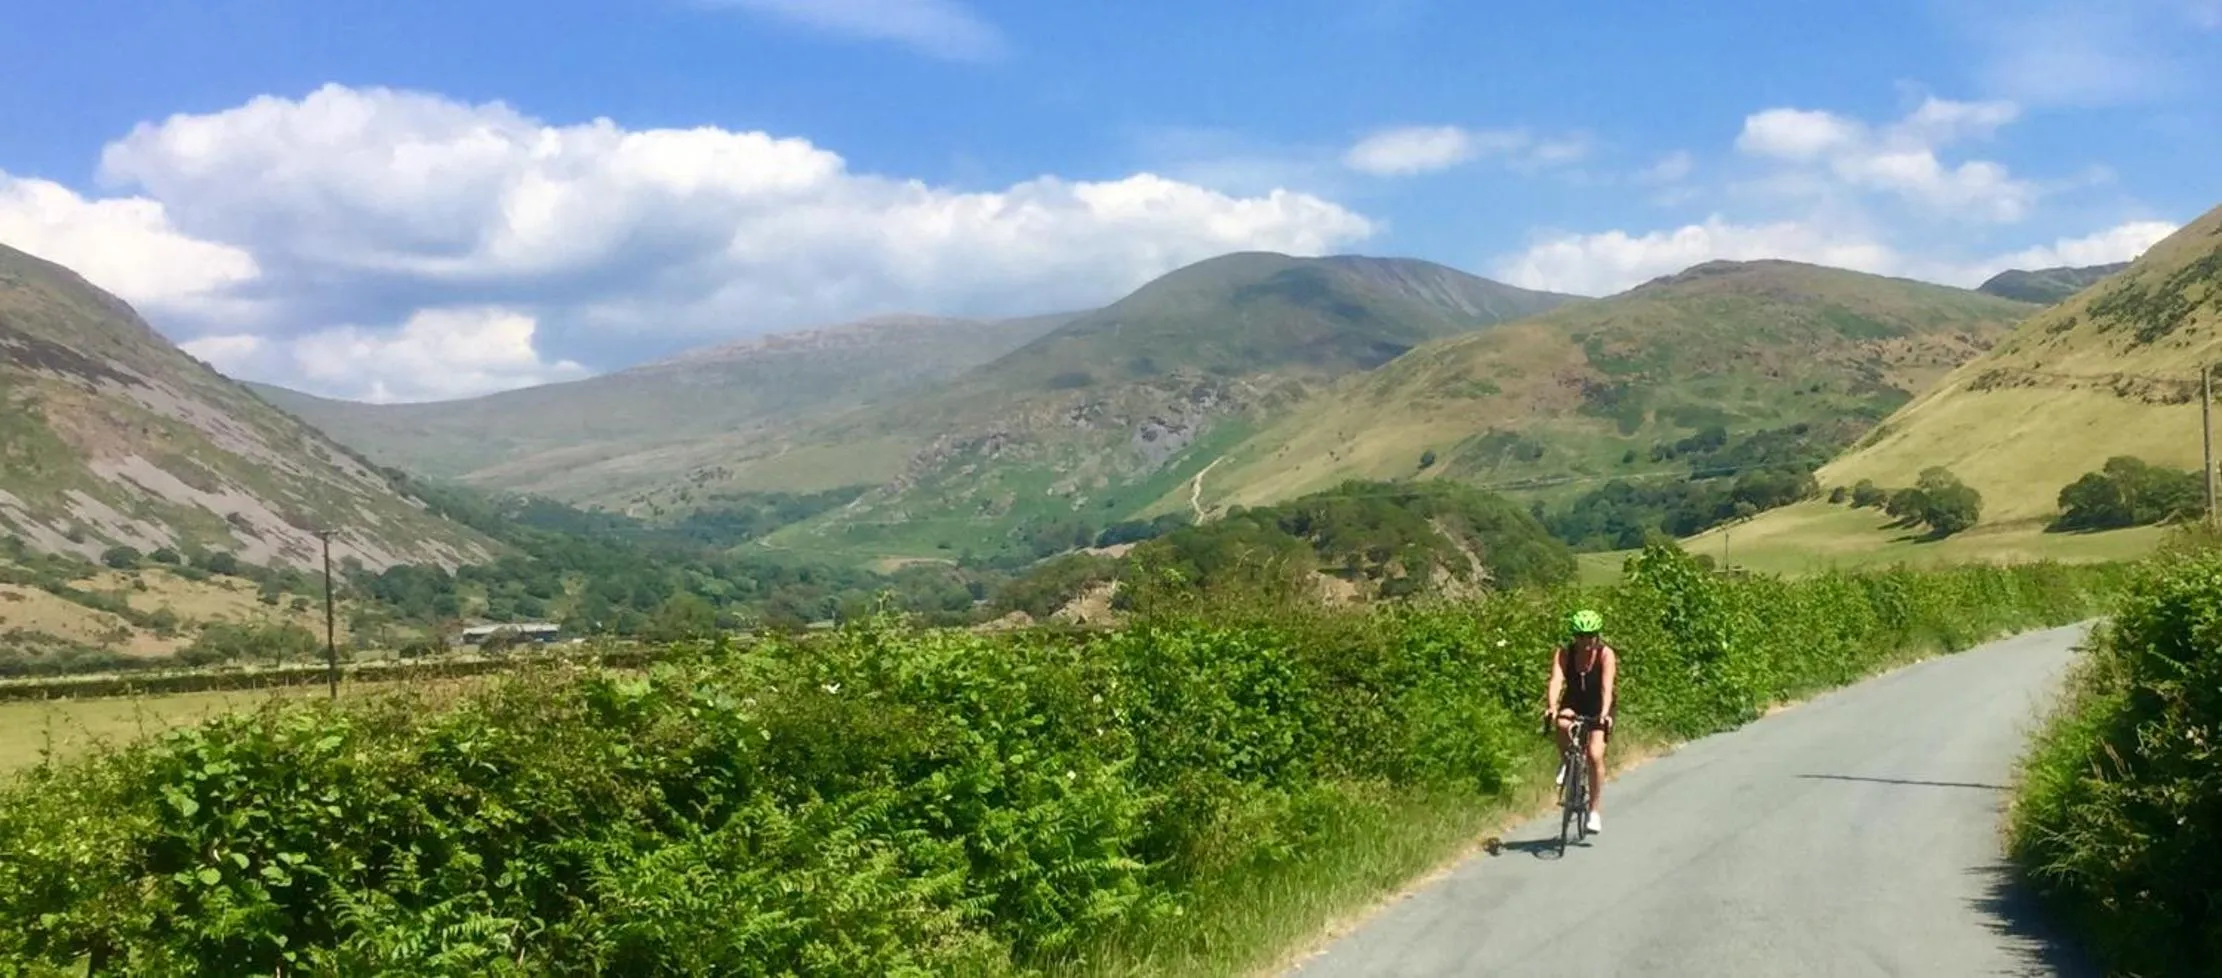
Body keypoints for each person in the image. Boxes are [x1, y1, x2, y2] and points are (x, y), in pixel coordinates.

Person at [1544, 609, 1617, 834]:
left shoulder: (1605, 654)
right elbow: (1556, 681)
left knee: (1594, 755)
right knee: (1562, 724)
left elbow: (1606, 687)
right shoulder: (1564, 654)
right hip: (1574, 701)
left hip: (1598, 705)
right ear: (1574, 636)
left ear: (1597, 636)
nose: (1586, 641)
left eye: (1591, 636)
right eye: (1581, 636)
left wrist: (1604, 713)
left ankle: (1594, 811)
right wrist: (1552, 706)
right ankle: (1567, 762)